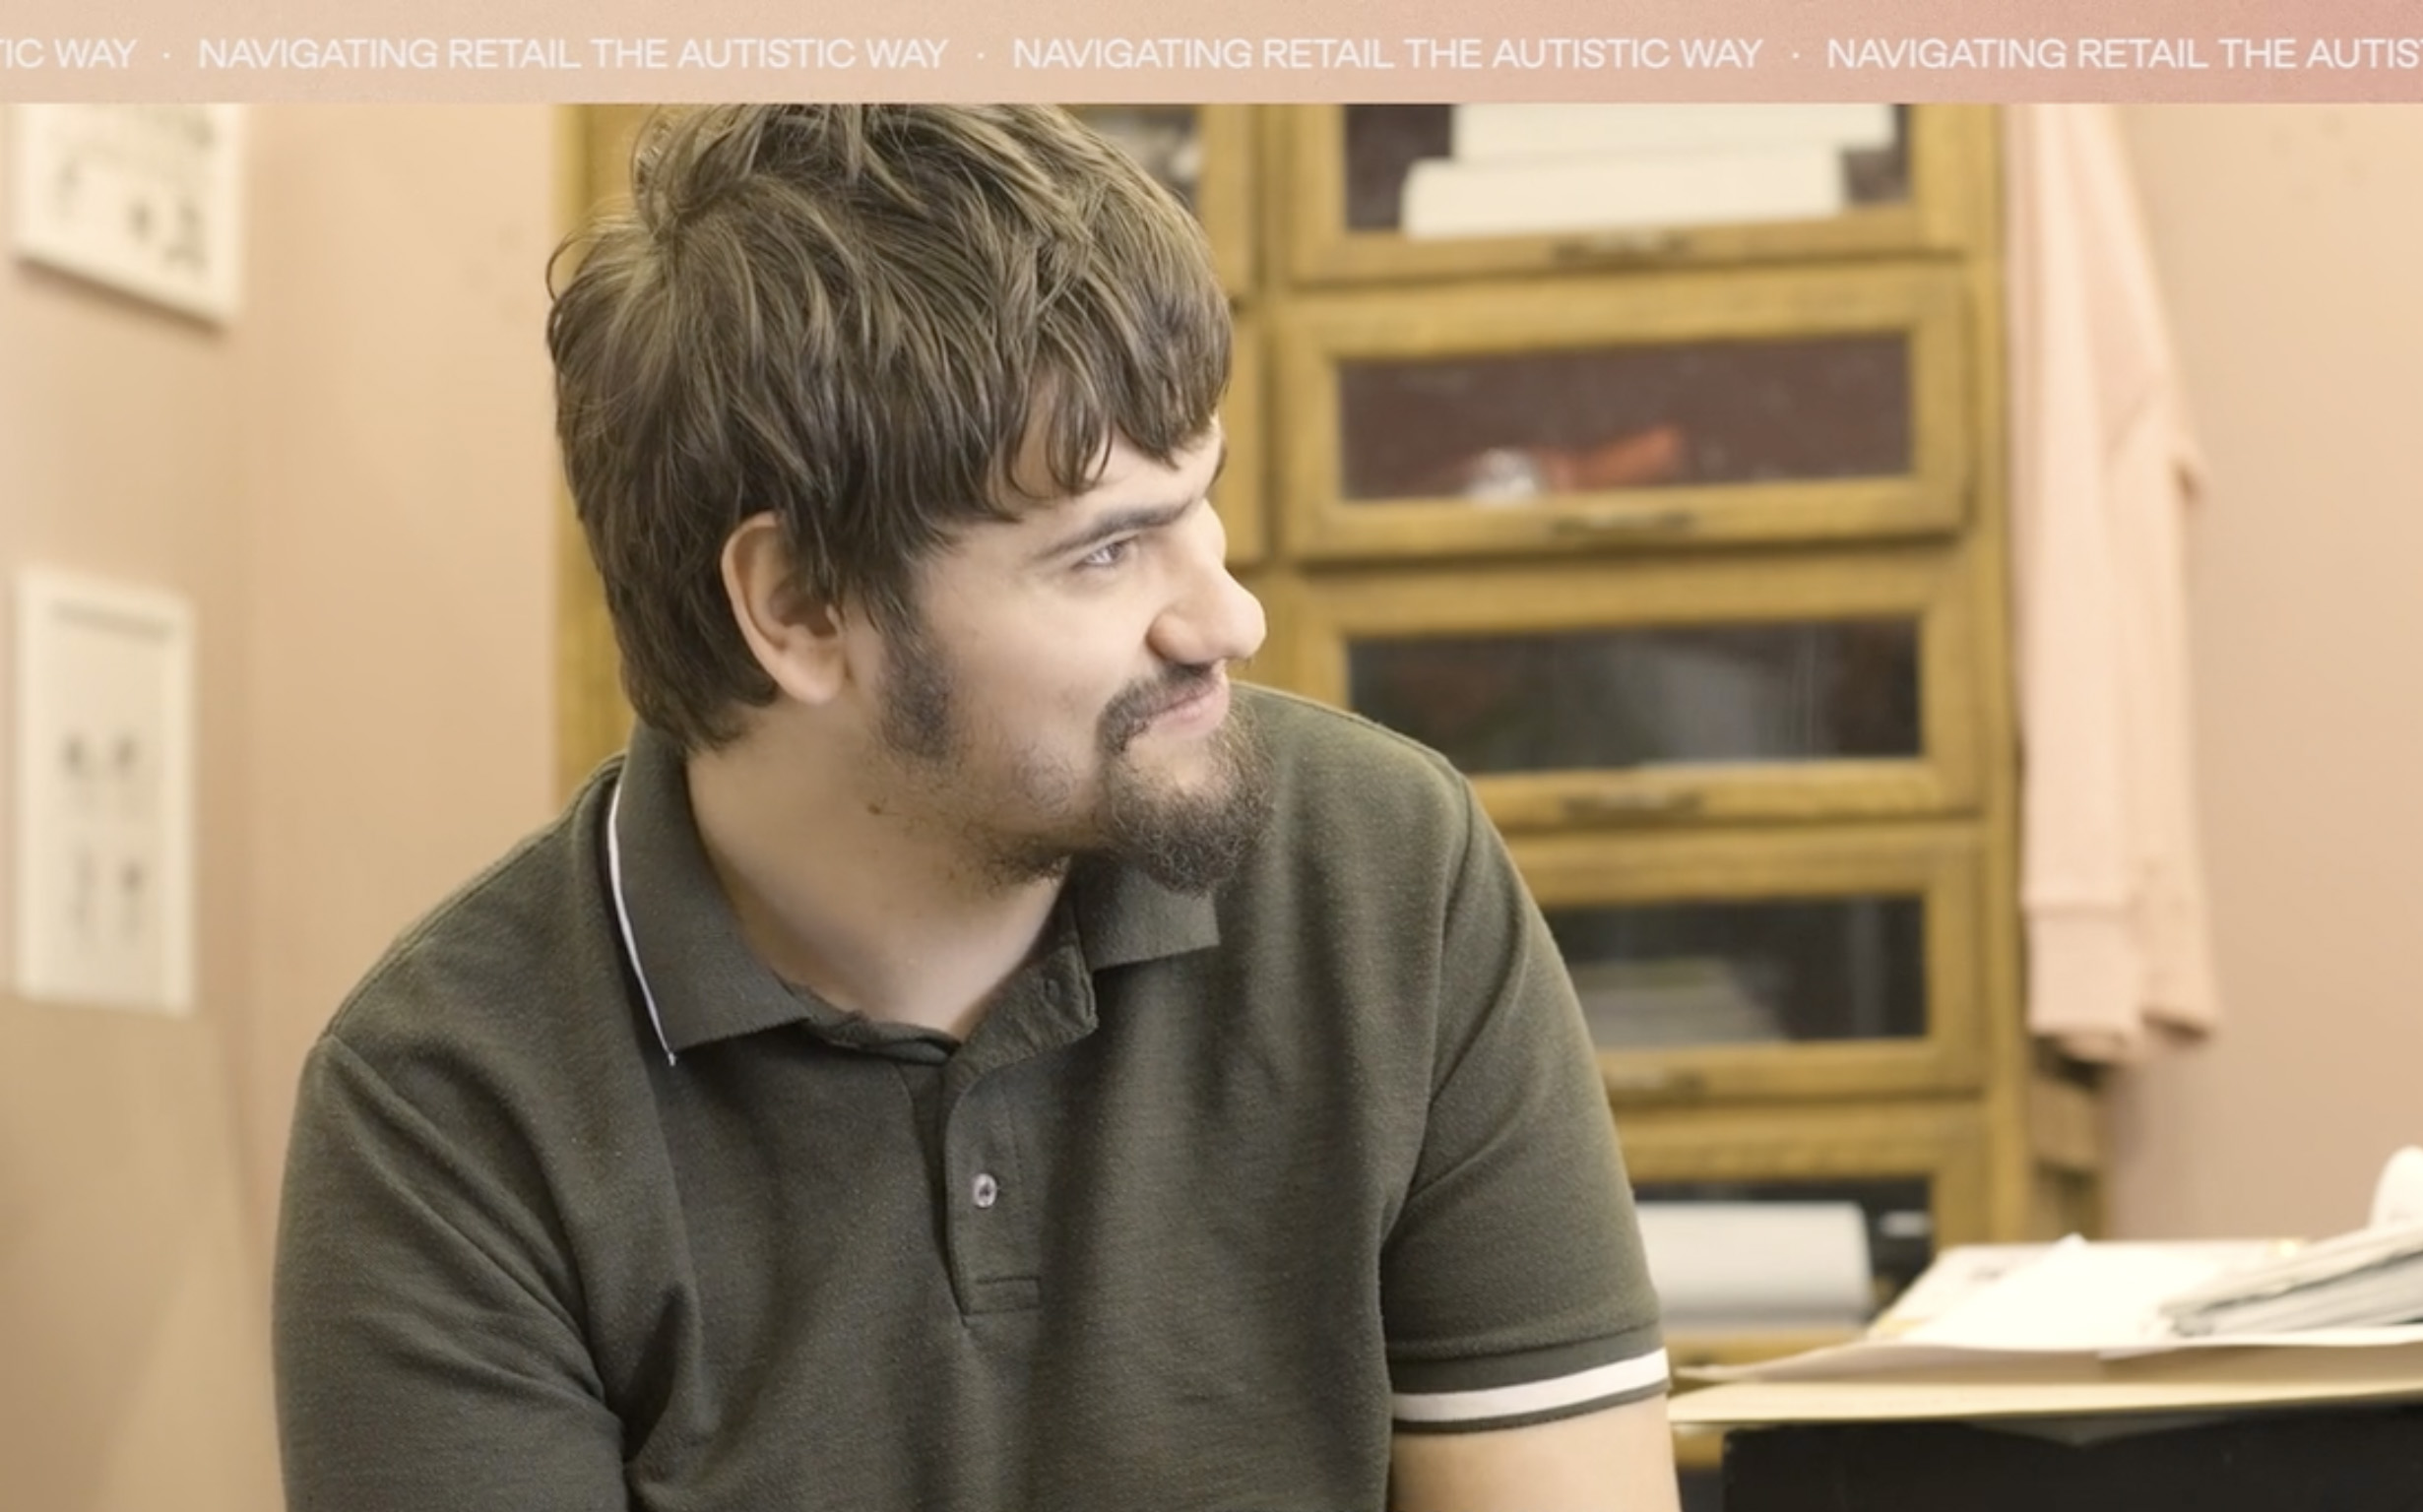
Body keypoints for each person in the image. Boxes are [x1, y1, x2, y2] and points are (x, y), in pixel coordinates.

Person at [270, 103, 1678, 1511]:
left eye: (1201, 503)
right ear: (802, 607)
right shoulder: (448, 1108)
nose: (1227, 616)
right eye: (1108, 552)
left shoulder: (1386, 875)